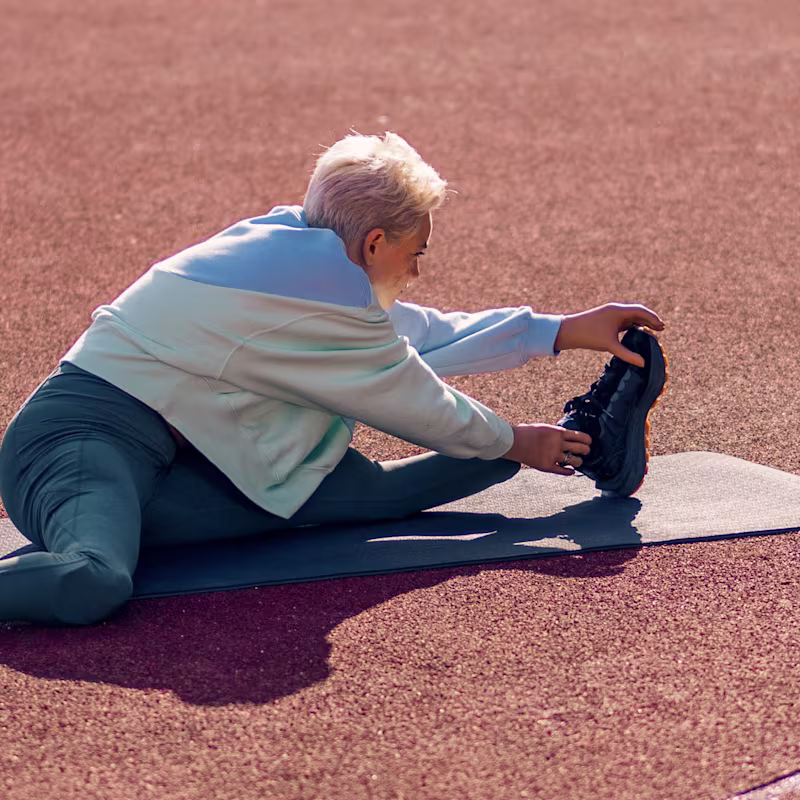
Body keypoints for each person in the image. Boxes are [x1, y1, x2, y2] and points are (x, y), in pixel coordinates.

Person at [0, 132, 665, 626]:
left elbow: (415, 334)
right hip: (81, 441)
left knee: (368, 495)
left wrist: (562, 331)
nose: (418, 268)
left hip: (193, 455)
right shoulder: (315, 289)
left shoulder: (302, 252)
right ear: (375, 243)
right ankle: (557, 444)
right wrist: (515, 439)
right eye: (416, 252)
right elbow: (410, 394)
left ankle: (580, 442)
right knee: (95, 579)